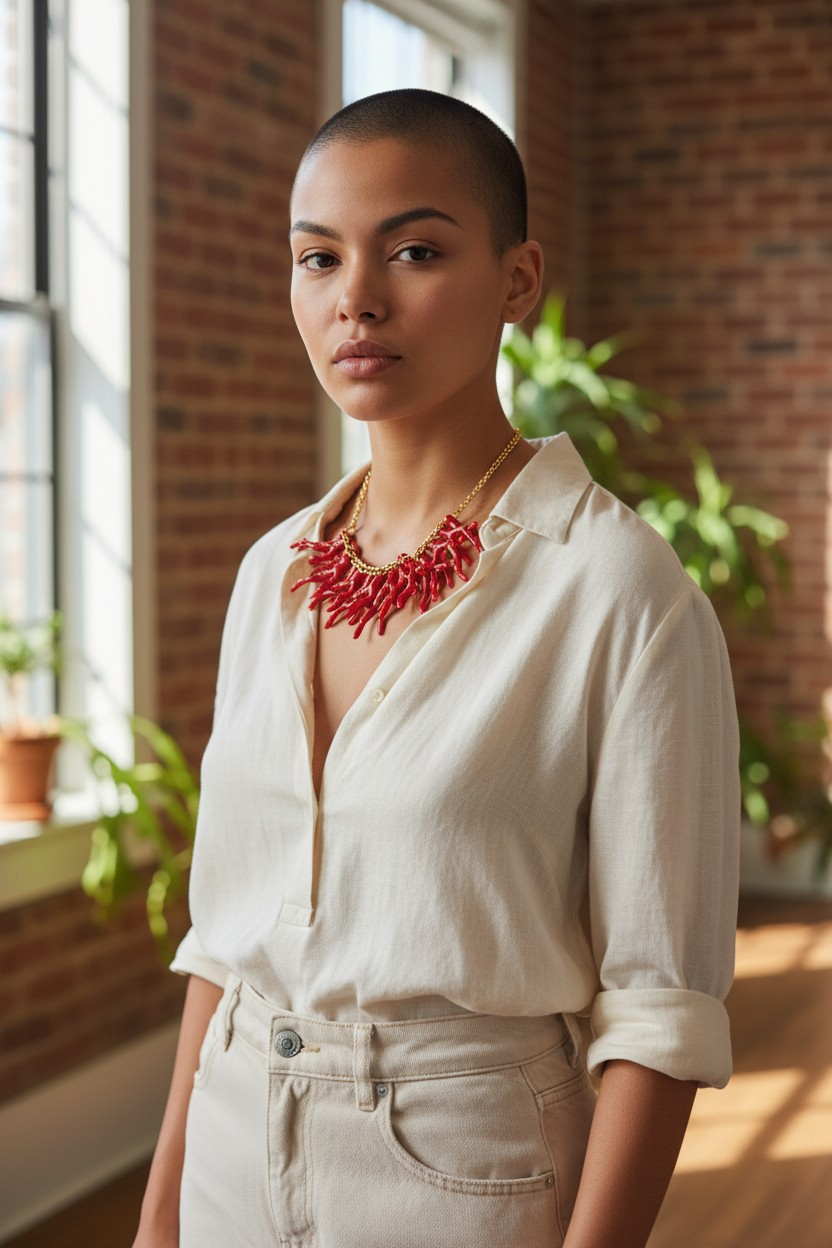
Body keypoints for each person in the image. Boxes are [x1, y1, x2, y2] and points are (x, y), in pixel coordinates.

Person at [132, 89, 740, 1248]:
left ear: (519, 280)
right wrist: (161, 1216)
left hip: (462, 1177)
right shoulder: (270, 574)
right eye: (318, 257)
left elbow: (660, 1015)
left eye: (414, 250)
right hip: (227, 1149)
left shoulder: (619, 590)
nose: (355, 297)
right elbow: (225, 938)